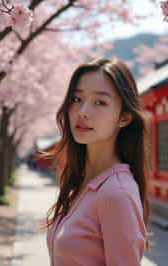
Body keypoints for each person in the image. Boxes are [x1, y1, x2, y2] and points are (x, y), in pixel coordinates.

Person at [42, 57, 151, 266]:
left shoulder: (116, 194)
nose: (83, 111)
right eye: (76, 99)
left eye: (100, 102)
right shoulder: (82, 184)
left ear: (125, 117)